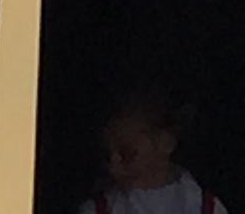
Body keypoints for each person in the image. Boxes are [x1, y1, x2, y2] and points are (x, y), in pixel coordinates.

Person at [83, 86, 228, 214]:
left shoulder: (206, 208)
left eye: (127, 154)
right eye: (108, 156)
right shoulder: (98, 210)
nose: (113, 168)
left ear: (165, 143)